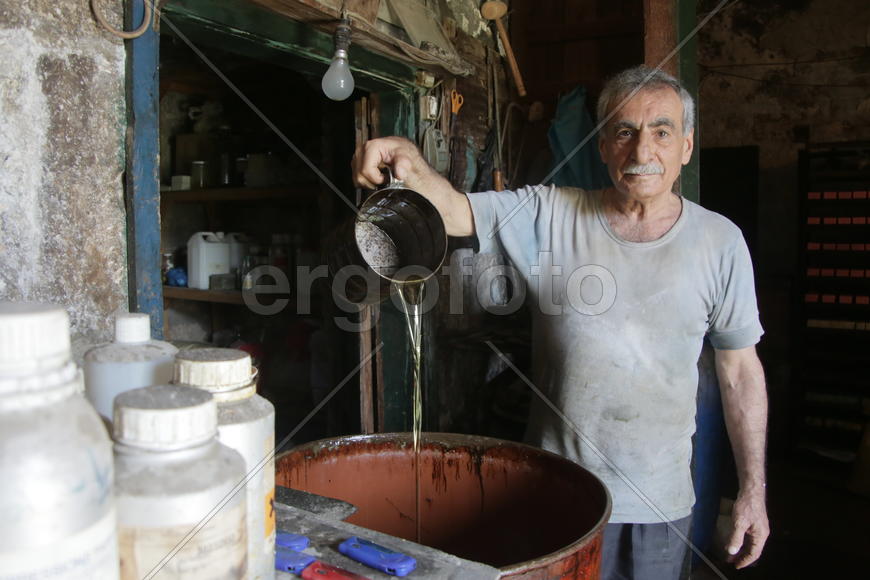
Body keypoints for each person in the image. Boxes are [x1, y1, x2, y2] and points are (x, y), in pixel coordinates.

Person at [352, 65, 769, 579]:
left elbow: (740, 373)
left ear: (685, 145)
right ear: (602, 146)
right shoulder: (550, 213)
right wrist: (407, 160)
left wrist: (753, 489)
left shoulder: (720, 243)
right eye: (624, 132)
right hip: (557, 491)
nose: (642, 152)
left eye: (661, 132)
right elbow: (455, 211)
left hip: (658, 505)